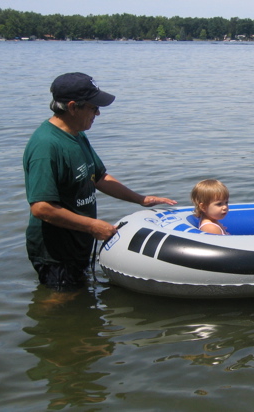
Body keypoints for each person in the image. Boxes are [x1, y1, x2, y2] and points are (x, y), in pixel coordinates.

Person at [23, 72, 177, 291]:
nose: (98, 113)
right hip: (56, 251)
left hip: (79, 241)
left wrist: (140, 199)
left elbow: (99, 177)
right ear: (73, 107)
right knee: (60, 300)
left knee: (77, 294)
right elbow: (41, 207)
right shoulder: (46, 147)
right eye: (93, 108)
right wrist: (93, 226)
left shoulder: (77, 134)